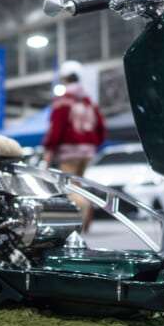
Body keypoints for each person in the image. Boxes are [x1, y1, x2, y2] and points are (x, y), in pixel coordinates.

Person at [42, 63, 106, 232]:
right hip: (87, 151)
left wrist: (49, 149)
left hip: (69, 152)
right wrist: (92, 144)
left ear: (64, 78)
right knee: (78, 183)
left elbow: (57, 128)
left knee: (71, 186)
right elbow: (101, 127)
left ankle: (78, 223)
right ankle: (85, 219)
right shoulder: (89, 101)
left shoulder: (64, 100)